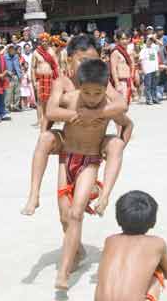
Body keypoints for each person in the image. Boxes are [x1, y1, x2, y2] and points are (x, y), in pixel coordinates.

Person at [21, 35, 127, 217]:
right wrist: (76, 115)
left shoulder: (102, 83)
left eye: (93, 61)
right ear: (70, 60)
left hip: (93, 146)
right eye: (83, 60)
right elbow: (51, 112)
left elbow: (121, 105)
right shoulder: (62, 82)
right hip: (68, 143)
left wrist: (94, 114)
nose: (87, 65)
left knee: (75, 211)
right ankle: (34, 194)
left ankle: (104, 194)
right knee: (45, 138)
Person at [54, 59, 133, 290]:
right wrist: (50, 141)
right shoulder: (69, 101)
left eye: (97, 93)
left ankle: (63, 272)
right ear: (79, 87)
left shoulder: (108, 107)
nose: (91, 98)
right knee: (64, 217)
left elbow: (128, 125)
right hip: (66, 159)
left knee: (76, 214)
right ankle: (77, 251)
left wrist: (115, 148)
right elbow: (48, 117)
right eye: (86, 92)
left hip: (90, 161)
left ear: (104, 88)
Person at [31, 32, 59, 131]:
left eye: (45, 40)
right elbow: (33, 67)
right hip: (40, 78)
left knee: (50, 99)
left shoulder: (52, 51)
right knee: (39, 100)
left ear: (48, 41)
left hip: (50, 78)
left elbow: (56, 66)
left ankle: (50, 119)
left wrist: (57, 79)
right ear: (40, 41)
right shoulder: (36, 52)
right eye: (42, 41)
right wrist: (34, 81)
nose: (44, 42)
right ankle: (39, 120)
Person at [110, 29, 133, 106]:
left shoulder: (128, 52)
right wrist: (117, 84)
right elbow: (113, 69)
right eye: (123, 39)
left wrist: (132, 84)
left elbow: (130, 68)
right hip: (120, 82)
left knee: (126, 104)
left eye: (126, 39)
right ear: (118, 40)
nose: (125, 41)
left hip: (128, 81)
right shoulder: (115, 52)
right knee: (121, 106)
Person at [139, 35, 159, 105]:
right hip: (147, 70)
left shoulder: (154, 48)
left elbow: (161, 44)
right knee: (148, 86)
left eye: (151, 40)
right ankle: (148, 99)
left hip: (154, 69)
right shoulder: (143, 49)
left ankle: (154, 98)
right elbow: (141, 60)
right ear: (146, 41)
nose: (150, 41)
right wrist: (143, 70)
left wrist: (154, 39)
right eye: (148, 40)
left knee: (154, 85)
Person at [5, 44, 22, 112]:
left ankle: (16, 106)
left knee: (17, 92)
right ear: (8, 50)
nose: (12, 51)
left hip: (16, 75)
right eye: (11, 49)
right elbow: (3, 67)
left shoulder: (16, 56)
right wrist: (7, 72)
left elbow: (18, 66)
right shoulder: (5, 57)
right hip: (9, 76)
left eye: (14, 49)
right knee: (9, 93)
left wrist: (20, 75)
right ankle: (6, 107)